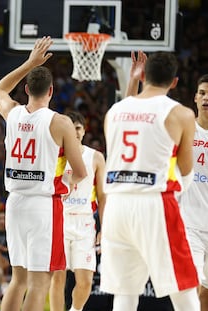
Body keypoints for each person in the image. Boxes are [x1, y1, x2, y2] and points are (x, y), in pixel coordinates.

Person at [0, 36, 87, 311]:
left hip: (15, 202)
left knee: (17, 280)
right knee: (39, 282)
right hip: (42, 206)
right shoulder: (61, 122)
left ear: (26, 88)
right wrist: (66, 183)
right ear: (51, 91)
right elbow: (79, 171)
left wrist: (29, 63)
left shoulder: (12, 113)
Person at [100, 50, 200, 311]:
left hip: (117, 206)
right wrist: (179, 191)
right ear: (175, 81)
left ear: (144, 75)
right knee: (183, 285)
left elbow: (136, 116)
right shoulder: (181, 114)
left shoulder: (114, 112)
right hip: (154, 202)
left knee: (125, 292)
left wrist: (133, 81)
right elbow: (186, 169)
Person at [49, 110, 106, 311]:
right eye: (70, 128)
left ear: (84, 130)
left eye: (78, 128)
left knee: (86, 281)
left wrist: (104, 227)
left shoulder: (96, 157)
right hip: (60, 220)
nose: (74, 132)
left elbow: (102, 196)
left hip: (85, 223)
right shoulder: (54, 155)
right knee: (58, 278)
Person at [177, 74, 208, 311]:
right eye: (203, 93)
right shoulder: (185, 130)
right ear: (195, 98)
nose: (206, 98)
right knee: (192, 286)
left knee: (205, 293)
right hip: (189, 223)